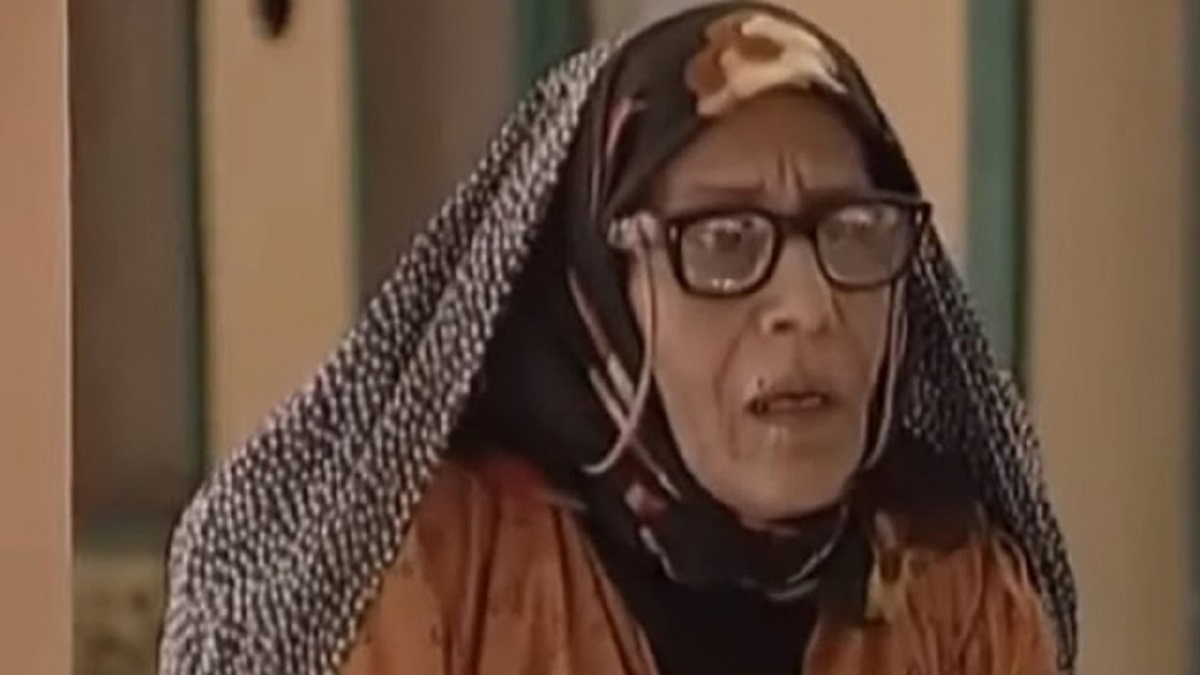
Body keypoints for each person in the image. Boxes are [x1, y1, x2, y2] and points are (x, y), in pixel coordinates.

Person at [157, 3, 1077, 674]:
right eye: (724, 241)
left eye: (852, 231)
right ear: (601, 296)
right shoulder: (423, 571)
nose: (809, 303)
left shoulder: (955, 595)